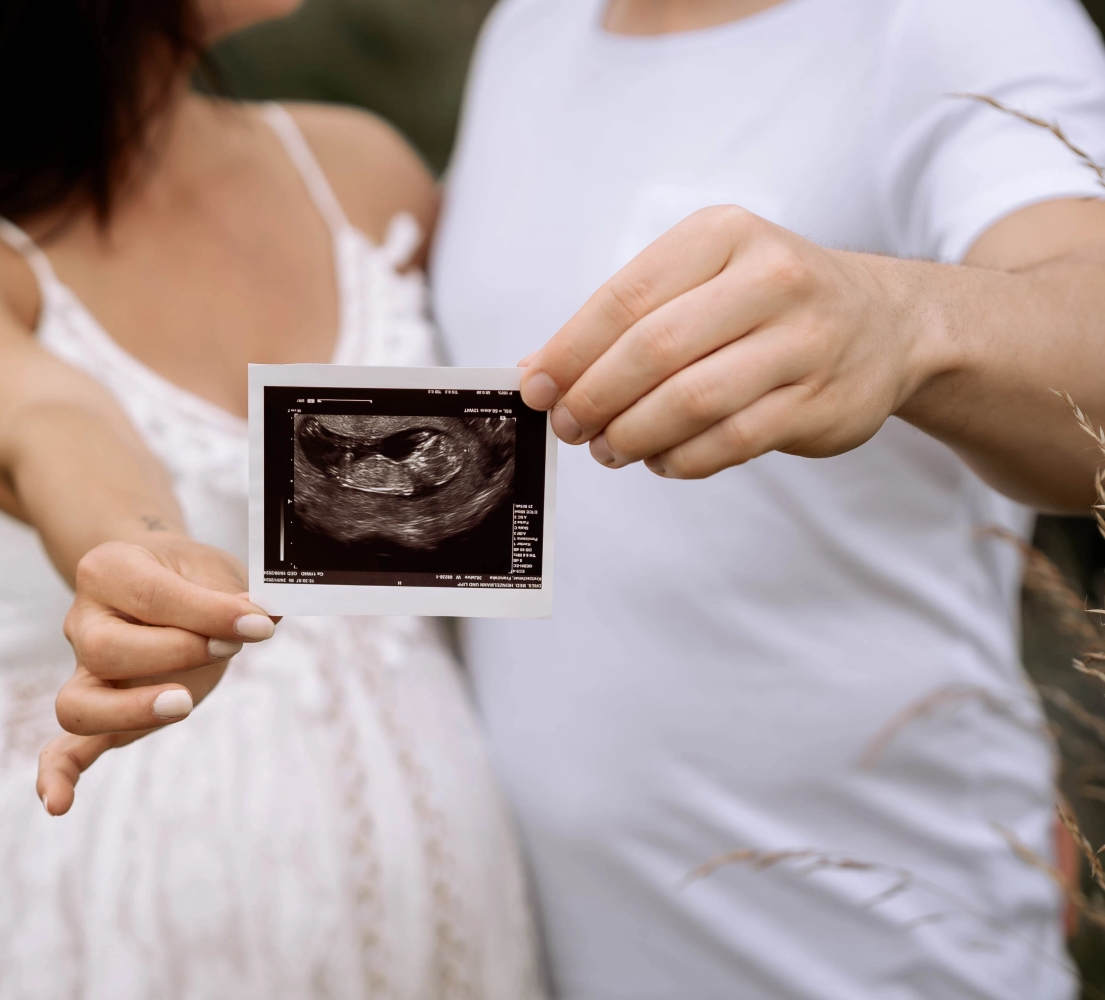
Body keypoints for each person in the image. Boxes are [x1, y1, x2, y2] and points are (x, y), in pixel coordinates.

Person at [0, 1, 542, 997]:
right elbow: (44, 422)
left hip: (456, 936)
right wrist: (145, 551)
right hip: (98, 939)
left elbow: (506, 506)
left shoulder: (361, 175)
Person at [430, 0, 1105, 997]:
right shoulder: (531, 28)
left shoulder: (958, 20)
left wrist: (906, 319)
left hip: (872, 945)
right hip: (549, 946)